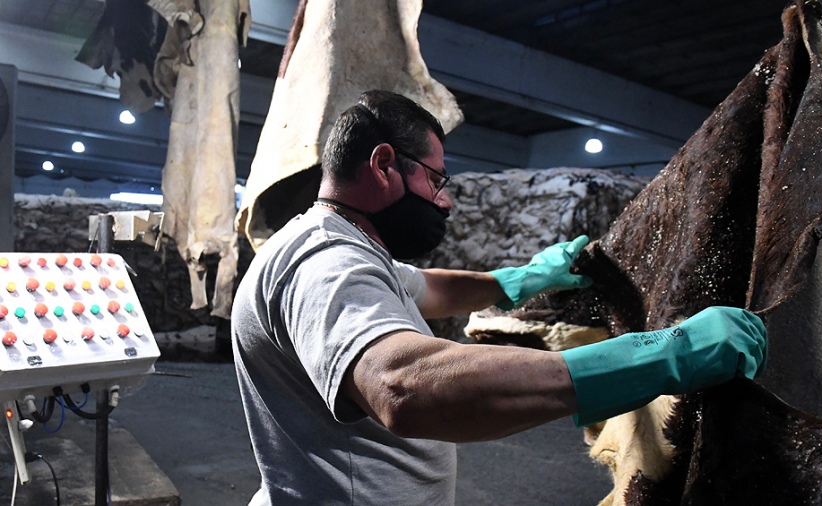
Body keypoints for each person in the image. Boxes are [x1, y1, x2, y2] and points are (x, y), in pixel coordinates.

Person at [231, 90, 768, 505]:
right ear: (384, 164)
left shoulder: (343, 247)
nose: (443, 202)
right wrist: (658, 356)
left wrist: (523, 278)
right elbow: (403, 386)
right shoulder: (324, 262)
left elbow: (429, 287)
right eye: (436, 180)